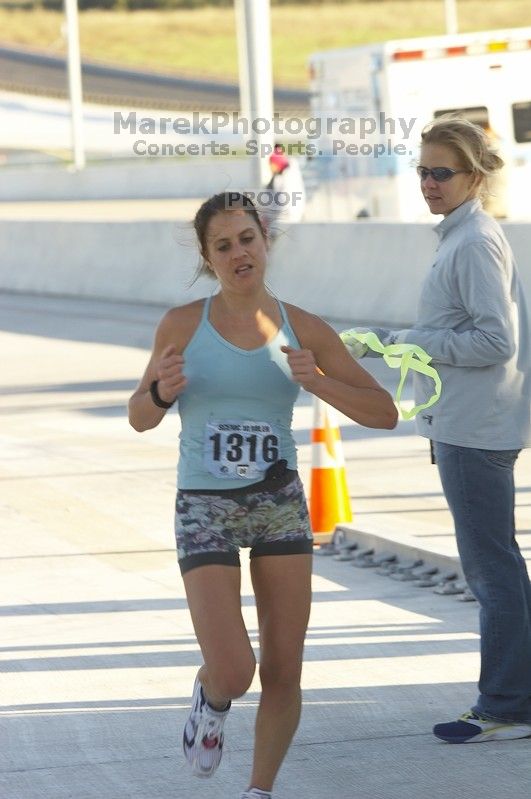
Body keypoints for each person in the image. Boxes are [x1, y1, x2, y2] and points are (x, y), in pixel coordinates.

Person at [128, 191, 397, 798]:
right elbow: (139, 416)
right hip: (205, 505)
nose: (238, 253)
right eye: (223, 246)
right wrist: (163, 394)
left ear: (264, 241)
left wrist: (319, 380)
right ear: (208, 257)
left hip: (278, 503)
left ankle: (259, 791)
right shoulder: (180, 325)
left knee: (283, 669)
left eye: (246, 239)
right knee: (234, 668)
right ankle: (211, 695)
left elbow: (384, 412)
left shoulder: (304, 327)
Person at [352, 117, 531, 743]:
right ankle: (514, 696)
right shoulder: (462, 236)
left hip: (475, 429)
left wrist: (406, 342)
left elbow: (494, 340)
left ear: (474, 177)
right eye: (422, 171)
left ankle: (507, 705)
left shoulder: (475, 241)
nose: (428, 183)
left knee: (491, 569)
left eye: (441, 173)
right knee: (497, 564)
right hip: (469, 422)